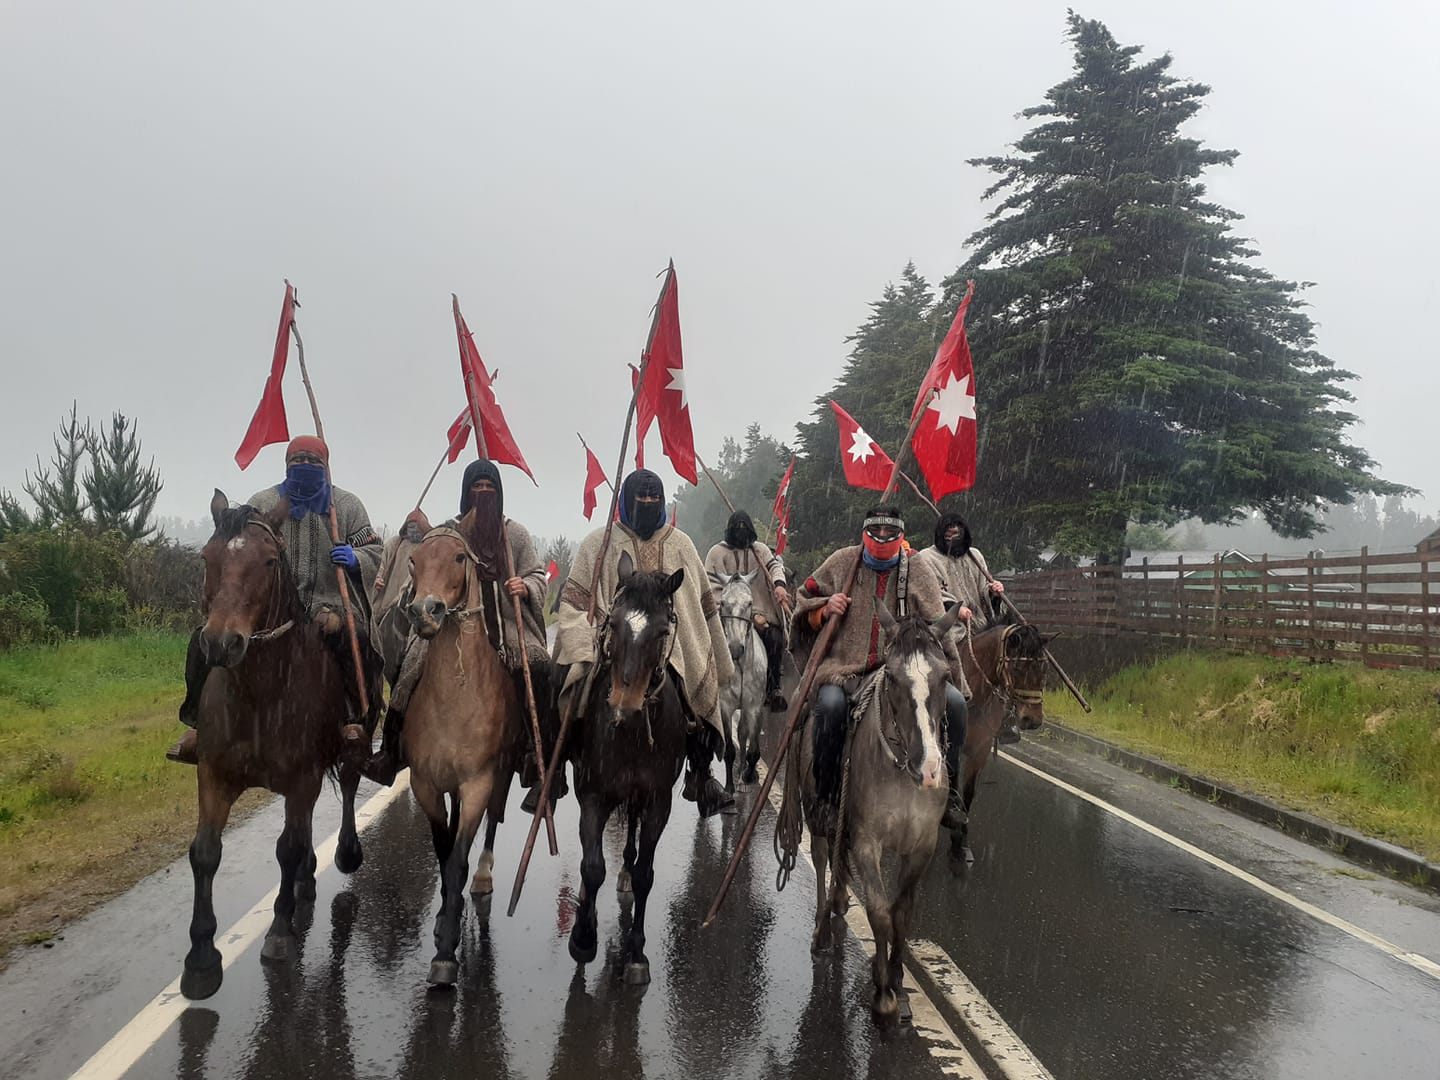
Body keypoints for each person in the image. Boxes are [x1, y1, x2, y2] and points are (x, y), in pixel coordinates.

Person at [167, 435, 383, 765]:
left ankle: (353, 721)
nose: (305, 467)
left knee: (358, 641)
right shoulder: (263, 501)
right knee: (203, 640)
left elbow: (375, 550)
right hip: (271, 607)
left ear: (326, 466)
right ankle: (200, 723)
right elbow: (236, 548)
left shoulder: (347, 505)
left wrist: (356, 557)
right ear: (286, 465)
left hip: (330, 603)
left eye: (313, 461)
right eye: (297, 461)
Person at [553, 468, 737, 817]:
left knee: (695, 691)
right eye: (641, 498)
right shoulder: (600, 542)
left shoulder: (681, 544)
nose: (648, 503)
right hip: (610, 640)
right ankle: (554, 762)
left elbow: (702, 606)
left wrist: (714, 658)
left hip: (669, 643)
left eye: (654, 498)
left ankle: (701, 773)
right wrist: (582, 640)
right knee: (566, 678)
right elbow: (574, 602)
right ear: (626, 500)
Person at [364, 460, 553, 794]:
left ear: (500, 492)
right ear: (465, 492)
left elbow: (537, 574)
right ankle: (391, 751)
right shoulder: (448, 532)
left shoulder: (515, 534)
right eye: (476, 487)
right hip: (452, 625)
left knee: (537, 669)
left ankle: (536, 756)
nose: (483, 493)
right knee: (410, 668)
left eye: (489, 487)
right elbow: (429, 567)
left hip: (505, 623)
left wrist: (525, 585)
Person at [790, 506, 970, 830]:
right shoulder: (843, 561)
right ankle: (826, 798)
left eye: (890, 533)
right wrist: (823, 608)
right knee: (830, 708)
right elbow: (803, 597)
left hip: (906, 671)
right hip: (845, 668)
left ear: (901, 534)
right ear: (865, 531)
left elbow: (935, 623)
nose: (883, 538)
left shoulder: (916, 567)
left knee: (955, 706)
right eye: (877, 532)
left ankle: (950, 790)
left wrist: (950, 671)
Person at [914, 512, 1018, 742]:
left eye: (957, 530)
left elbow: (984, 588)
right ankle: (933, 715)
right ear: (940, 534)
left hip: (980, 624)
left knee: (1006, 656)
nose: (953, 534)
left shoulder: (975, 556)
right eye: (948, 530)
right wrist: (953, 608)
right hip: (946, 629)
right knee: (939, 666)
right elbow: (929, 595)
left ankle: (1006, 717)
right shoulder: (925, 559)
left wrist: (993, 592)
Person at [704, 510, 790, 710]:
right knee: (707, 642)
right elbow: (710, 584)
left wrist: (779, 585)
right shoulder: (716, 553)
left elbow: (775, 566)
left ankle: (773, 688)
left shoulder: (759, 551)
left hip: (759, 609)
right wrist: (726, 608)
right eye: (737, 530)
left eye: (745, 529)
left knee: (775, 638)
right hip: (726, 611)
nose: (741, 533)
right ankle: (706, 689)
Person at [372, 508, 431, 687]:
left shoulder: (425, 549)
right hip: (384, 602)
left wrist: (402, 598)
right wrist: (377, 579)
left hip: (409, 605)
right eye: (410, 526)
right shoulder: (393, 544)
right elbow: (379, 564)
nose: (413, 531)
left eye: (417, 527)